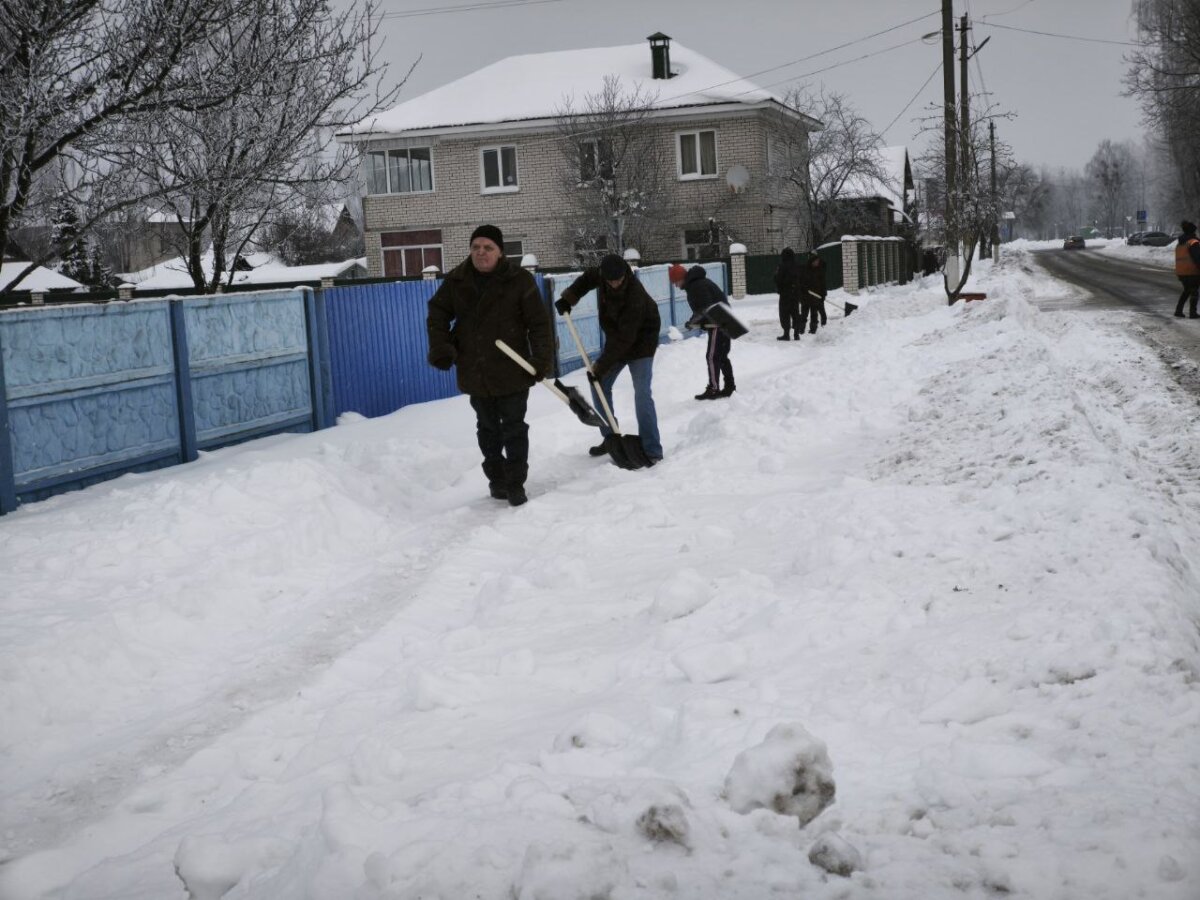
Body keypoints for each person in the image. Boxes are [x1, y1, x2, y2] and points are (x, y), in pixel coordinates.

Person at [426, 224, 554, 506]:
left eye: (488, 248)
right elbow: (437, 313)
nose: (481, 252)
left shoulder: (518, 280)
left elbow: (539, 324)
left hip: (513, 368)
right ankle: (497, 480)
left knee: (514, 428)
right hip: (476, 368)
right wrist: (441, 346)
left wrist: (540, 359)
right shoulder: (458, 280)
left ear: (500, 252)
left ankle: (516, 482)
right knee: (487, 429)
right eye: (476, 247)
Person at [554, 253, 663, 463]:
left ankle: (652, 449)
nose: (614, 284)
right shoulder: (601, 275)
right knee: (599, 385)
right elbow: (586, 280)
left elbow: (625, 338)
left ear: (625, 275)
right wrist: (568, 299)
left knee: (642, 394)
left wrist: (601, 366)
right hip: (618, 337)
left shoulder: (635, 295)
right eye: (610, 281)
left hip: (642, 342)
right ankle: (610, 437)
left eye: (618, 280)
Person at [669, 263, 735, 400]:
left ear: (681, 278)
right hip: (724, 320)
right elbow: (705, 308)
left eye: (675, 281)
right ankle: (729, 386)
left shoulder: (696, 286)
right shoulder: (699, 283)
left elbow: (706, 308)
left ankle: (713, 389)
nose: (675, 285)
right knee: (721, 356)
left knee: (712, 356)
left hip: (719, 322)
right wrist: (697, 321)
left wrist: (693, 322)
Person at [773, 247, 803, 340]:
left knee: (784, 314)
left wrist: (776, 278)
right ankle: (796, 334)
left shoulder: (782, 266)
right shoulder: (797, 265)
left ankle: (786, 334)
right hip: (795, 294)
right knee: (795, 313)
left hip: (785, 294)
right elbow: (801, 279)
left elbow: (778, 279)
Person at [1174, 220, 1200, 319]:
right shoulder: (1193, 242)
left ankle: (1178, 310)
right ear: (1192, 231)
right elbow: (1197, 258)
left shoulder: (1180, 243)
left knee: (1187, 291)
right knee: (1194, 292)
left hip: (1181, 272)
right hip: (1192, 271)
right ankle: (1193, 313)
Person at [804, 251, 828, 333]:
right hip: (811, 293)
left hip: (819, 292)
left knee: (820, 309)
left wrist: (823, 293)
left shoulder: (820, 268)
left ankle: (823, 323)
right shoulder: (808, 268)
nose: (817, 262)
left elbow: (822, 282)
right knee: (813, 310)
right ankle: (812, 328)